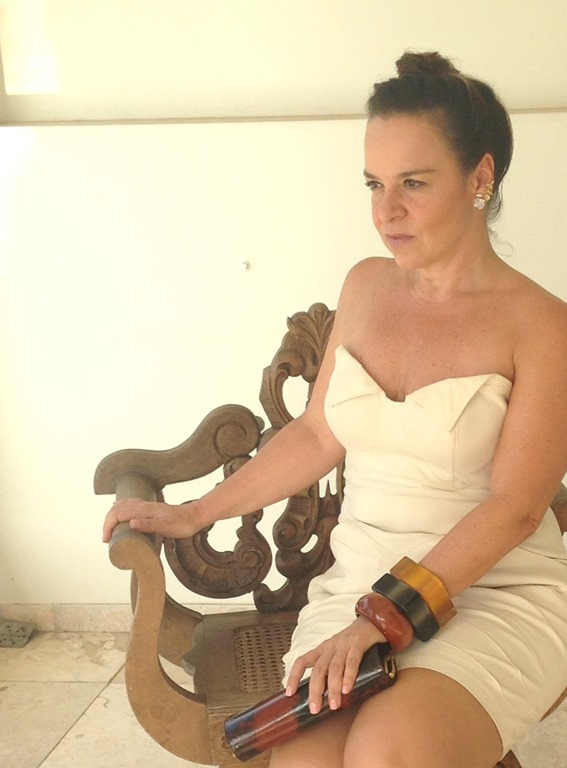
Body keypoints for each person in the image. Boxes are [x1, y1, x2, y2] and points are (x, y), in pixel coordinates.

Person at [103, 51, 567, 768]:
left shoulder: (543, 325)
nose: (386, 211)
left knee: (389, 750)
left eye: (414, 183)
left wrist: (382, 618)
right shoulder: (365, 286)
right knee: (306, 760)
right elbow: (318, 434)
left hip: (493, 590)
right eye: (374, 184)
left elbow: (514, 509)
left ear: (480, 176)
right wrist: (195, 513)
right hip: (357, 580)